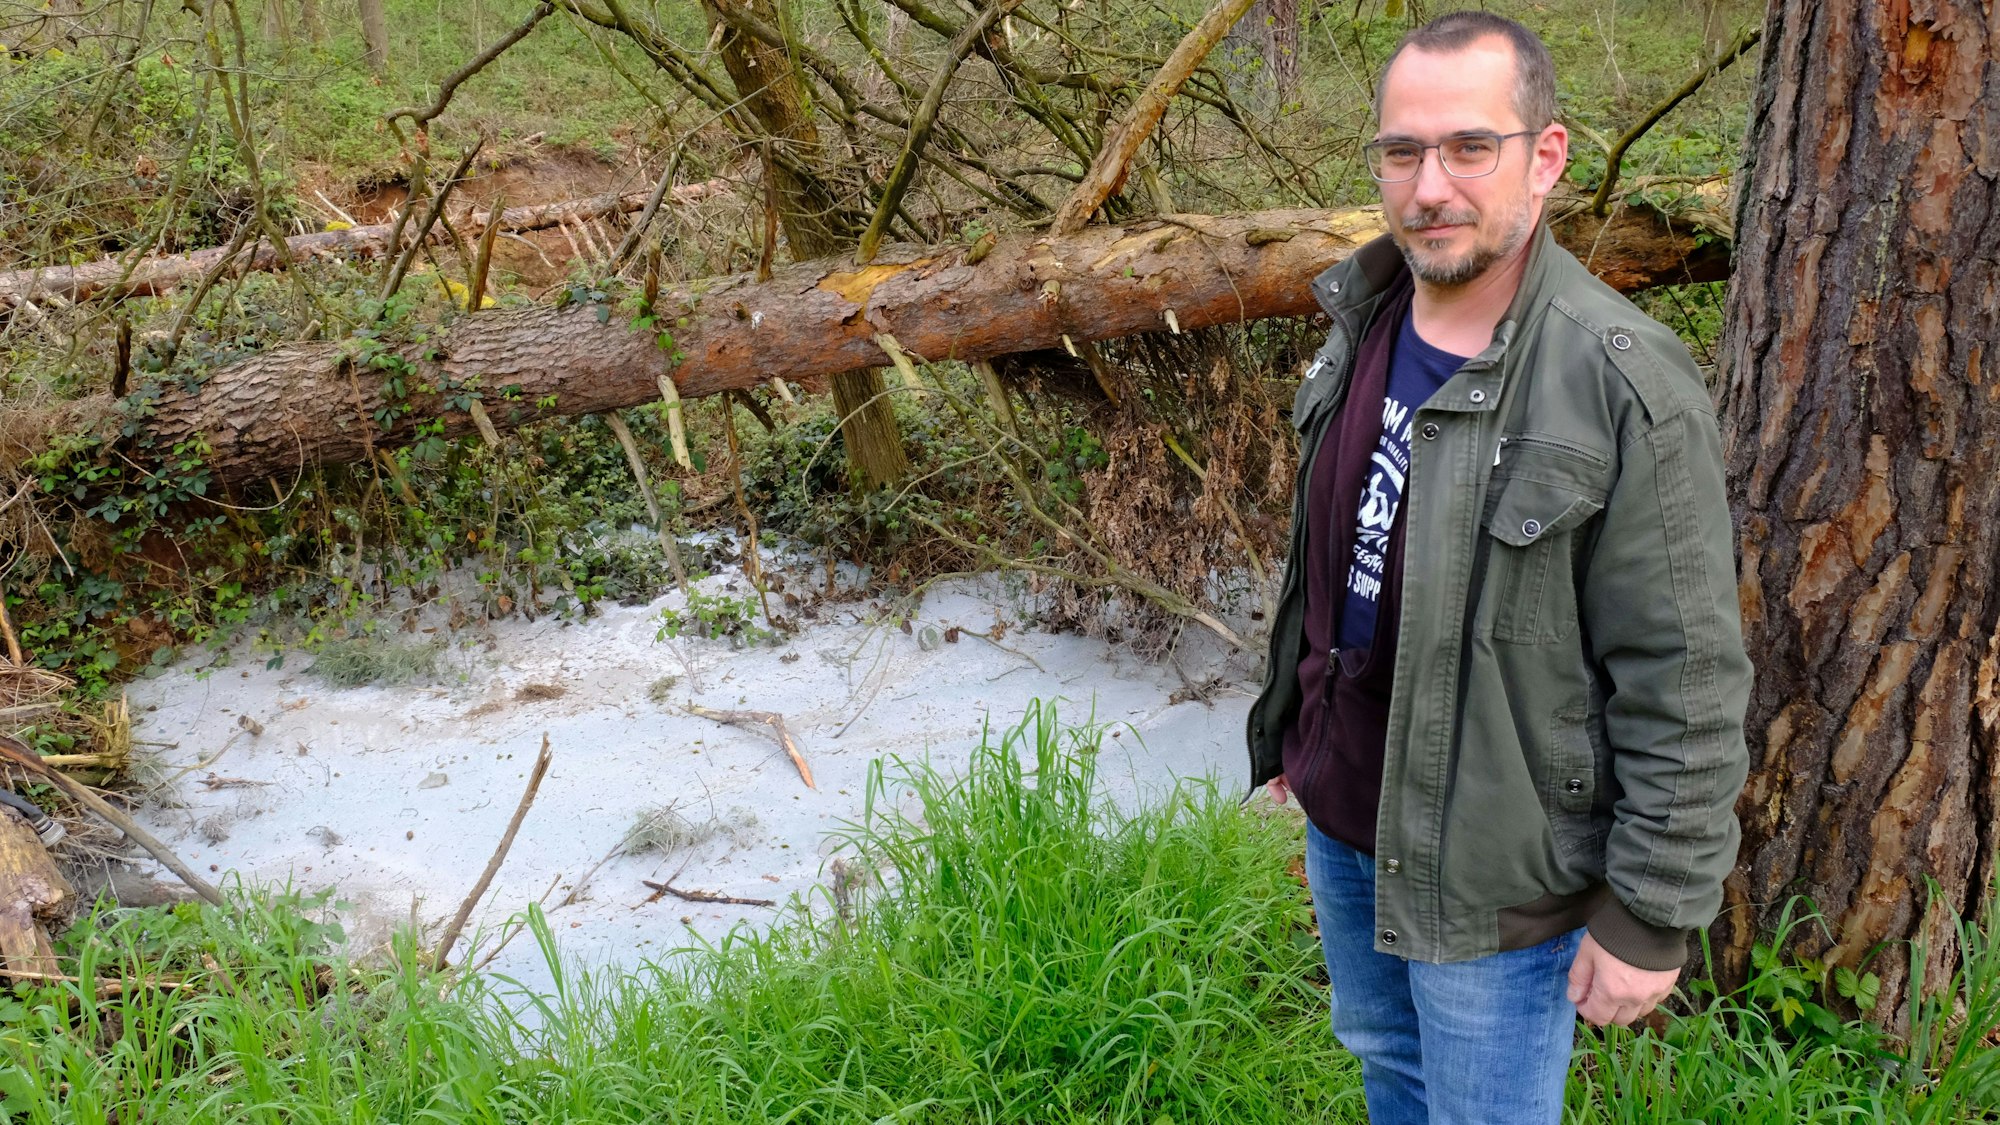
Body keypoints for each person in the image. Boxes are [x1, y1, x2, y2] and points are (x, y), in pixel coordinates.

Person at [1242, 13, 1752, 1123]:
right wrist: (1300, 729)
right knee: (1386, 1062)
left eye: (1470, 147)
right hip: (1345, 816)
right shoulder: (1362, 315)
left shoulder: (1620, 384)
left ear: (1545, 156)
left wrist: (1652, 912)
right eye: (1401, 152)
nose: (1430, 187)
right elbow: (1339, 558)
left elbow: (1686, 675)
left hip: (1496, 875)